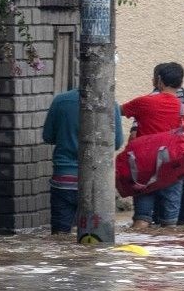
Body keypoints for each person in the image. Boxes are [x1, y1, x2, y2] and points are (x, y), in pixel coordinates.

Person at [122, 62, 184, 230]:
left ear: (158, 81)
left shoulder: (144, 103)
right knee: (170, 225)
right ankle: (169, 253)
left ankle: (138, 252)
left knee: (142, 220)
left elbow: (117, 112)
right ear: (180, 83)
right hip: (174, 169)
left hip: (145, 169)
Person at [42, 89, 124, 234]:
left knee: (60, 235)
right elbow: (116, 143)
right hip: (96, 183)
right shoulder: (111, 104)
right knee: (94, 236)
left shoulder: (60, 101)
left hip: (64, 179)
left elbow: (48, 136)